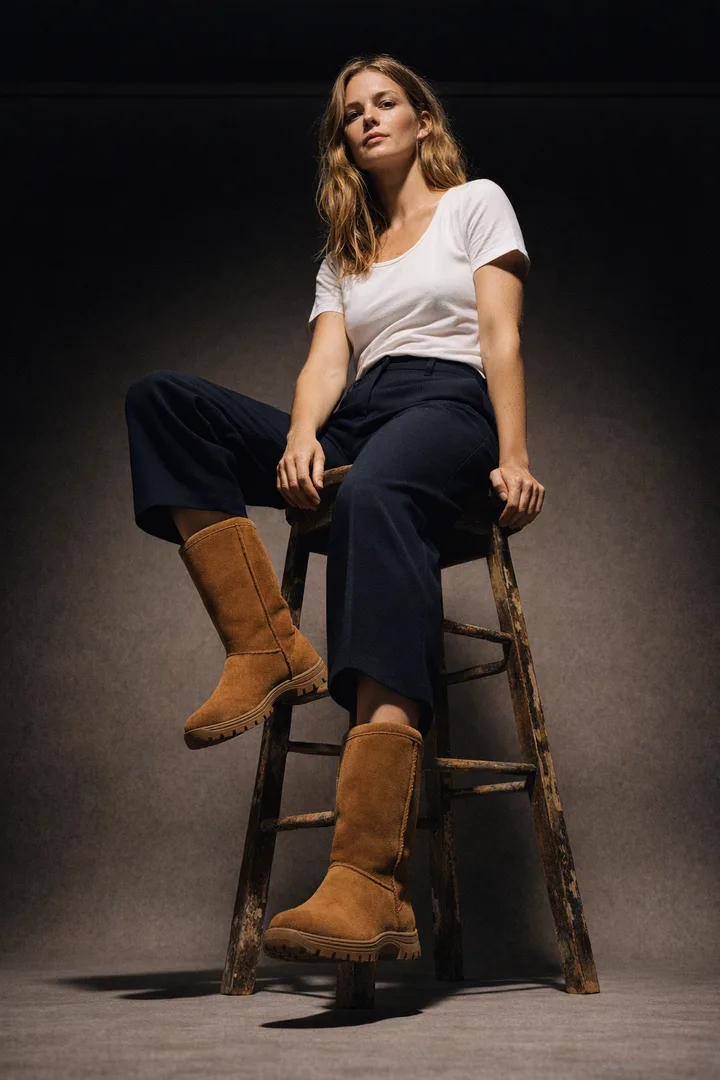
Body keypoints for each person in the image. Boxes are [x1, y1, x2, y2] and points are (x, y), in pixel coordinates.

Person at [124, 52, 544, 965]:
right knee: (164, 401)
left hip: (448, 407)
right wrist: (302, 437)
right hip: (363, 412)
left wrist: (514, 455)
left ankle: (369, 879)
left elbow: (501, 331)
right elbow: (326, 363)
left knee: (381, 490)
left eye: (387, 103)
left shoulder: (476, 202)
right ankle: (264, 643)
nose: (369, 119)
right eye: (352, 112)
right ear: (342, 140)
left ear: (422, 119)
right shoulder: (344, 252)